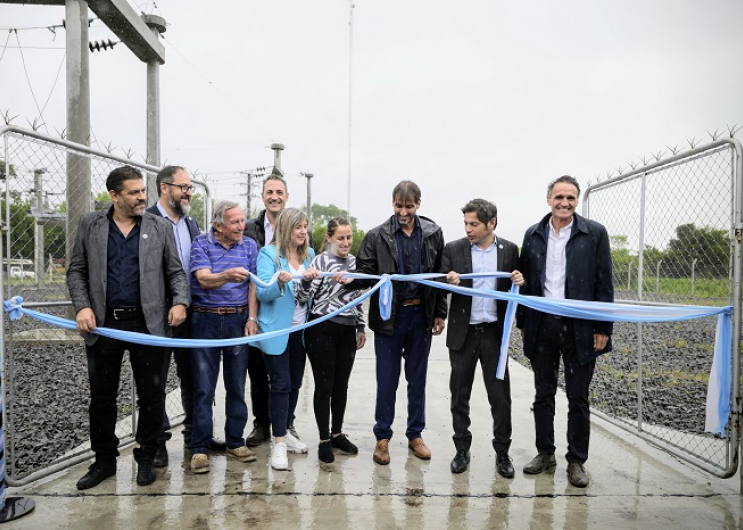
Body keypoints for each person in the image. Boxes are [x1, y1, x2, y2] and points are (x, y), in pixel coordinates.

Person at [67, 165, 188, 489]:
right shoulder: (90, 225)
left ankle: (146, 457)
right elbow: (76, 271)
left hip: (147, 326)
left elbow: (176, 273)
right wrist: (83, 306)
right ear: (114, 195)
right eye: (134, 193)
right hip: (103, 326)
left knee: (151, 396)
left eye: (142, 191)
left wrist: (179, 302)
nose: (141, 197)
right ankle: (104, 461)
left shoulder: (159, 227)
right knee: (102, 399)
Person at [517, 175, 614, 488]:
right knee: (543, 394)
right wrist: (523, 325)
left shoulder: (594, 234)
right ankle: (545, 453)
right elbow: (525, 284)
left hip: (580, 329)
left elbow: (604, 283)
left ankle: (576, 461)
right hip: (542, 326)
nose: (564, 203)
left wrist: (603, 328)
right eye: (559, 197)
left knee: (578, 397)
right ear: (549, 199)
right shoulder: (533, 234)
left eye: (571, 198)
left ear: (577, 200)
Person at [349, 181, 447, 465]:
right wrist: (348, 278)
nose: (403, 212)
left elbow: (439, 276)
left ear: (418, 204)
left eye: (409, 206)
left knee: (417, 381)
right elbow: (364, 273)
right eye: (398, 206)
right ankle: (383, 438)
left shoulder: (432, 234)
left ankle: (415, 434)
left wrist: (440, 312)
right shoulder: (376, 236)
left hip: (420, 317)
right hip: (389, 319)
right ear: (392, 203)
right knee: (387, 381)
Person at [146, 165, 226, 468]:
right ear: (165, 188)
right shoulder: (148, 221)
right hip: (159, 314)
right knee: (155, 380)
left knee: (194, 377)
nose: (189, 192)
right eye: (184, 187)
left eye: (190, 187)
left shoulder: (191, 223)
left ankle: (197, 438)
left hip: (192, 313)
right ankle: (157, 442)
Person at [441, 199, 523, 477]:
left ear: (491, 223)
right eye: (465, 223)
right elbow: (438, 282)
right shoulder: (454, 249)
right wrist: (447, 279)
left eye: (473, 224)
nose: (468, 229)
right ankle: (461, 450)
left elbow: (522, 285)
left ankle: (502, 453)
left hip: (493, 335)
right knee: (459, 395)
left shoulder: (510, 250)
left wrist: (521, 279)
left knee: (500, 398)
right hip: (463, 335)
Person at [188, 200, 259, 474]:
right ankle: (200, 448)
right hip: (204, 319)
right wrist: (228, 275)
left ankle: (235, 441)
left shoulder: (250, 246)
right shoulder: (201, 244)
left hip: (237, 319)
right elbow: (203, 279)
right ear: (218, 225)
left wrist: (251, 318)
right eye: (235, 222)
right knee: (204, 388)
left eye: (242, 220)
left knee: (237, 385)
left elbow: (253, 284)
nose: (242, 226)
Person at [254, 207, 318, 470]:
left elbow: (310, 295)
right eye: (297, 227)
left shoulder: (311, 255)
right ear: (286, 229)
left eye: (305, 226)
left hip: (299, 333)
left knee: (293, 386)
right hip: (276, 331)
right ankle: (278, 444)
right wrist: (279, 283)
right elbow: (262, 294)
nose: (303, 231)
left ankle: (286, 431)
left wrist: (309, 282)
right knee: (279, 384)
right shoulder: (268, 255)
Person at [299, 217, 366, 465]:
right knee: (324, 386)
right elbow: (304, 296)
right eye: (341, 238)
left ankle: (337, 433)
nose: (346, 242)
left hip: (347, 331)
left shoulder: (355, 263)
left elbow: (358, 297)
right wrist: (306, 279)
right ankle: (324, 439)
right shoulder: (320, 261)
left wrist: (360, 326)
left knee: (341, 386)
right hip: (322, 329)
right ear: (329, 238)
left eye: (349, 237)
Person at [243, 170, 289, 446]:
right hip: (254, 310)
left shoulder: (294, 226)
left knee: (285, 376)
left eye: (279, 193)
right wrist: (251, 315)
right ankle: (261, 425)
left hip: (284, 312)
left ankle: (286, 425)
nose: (274, 197)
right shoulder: (250, 229)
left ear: (286, 197)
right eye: (269, 192)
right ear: (263, 196)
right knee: (257, 372)